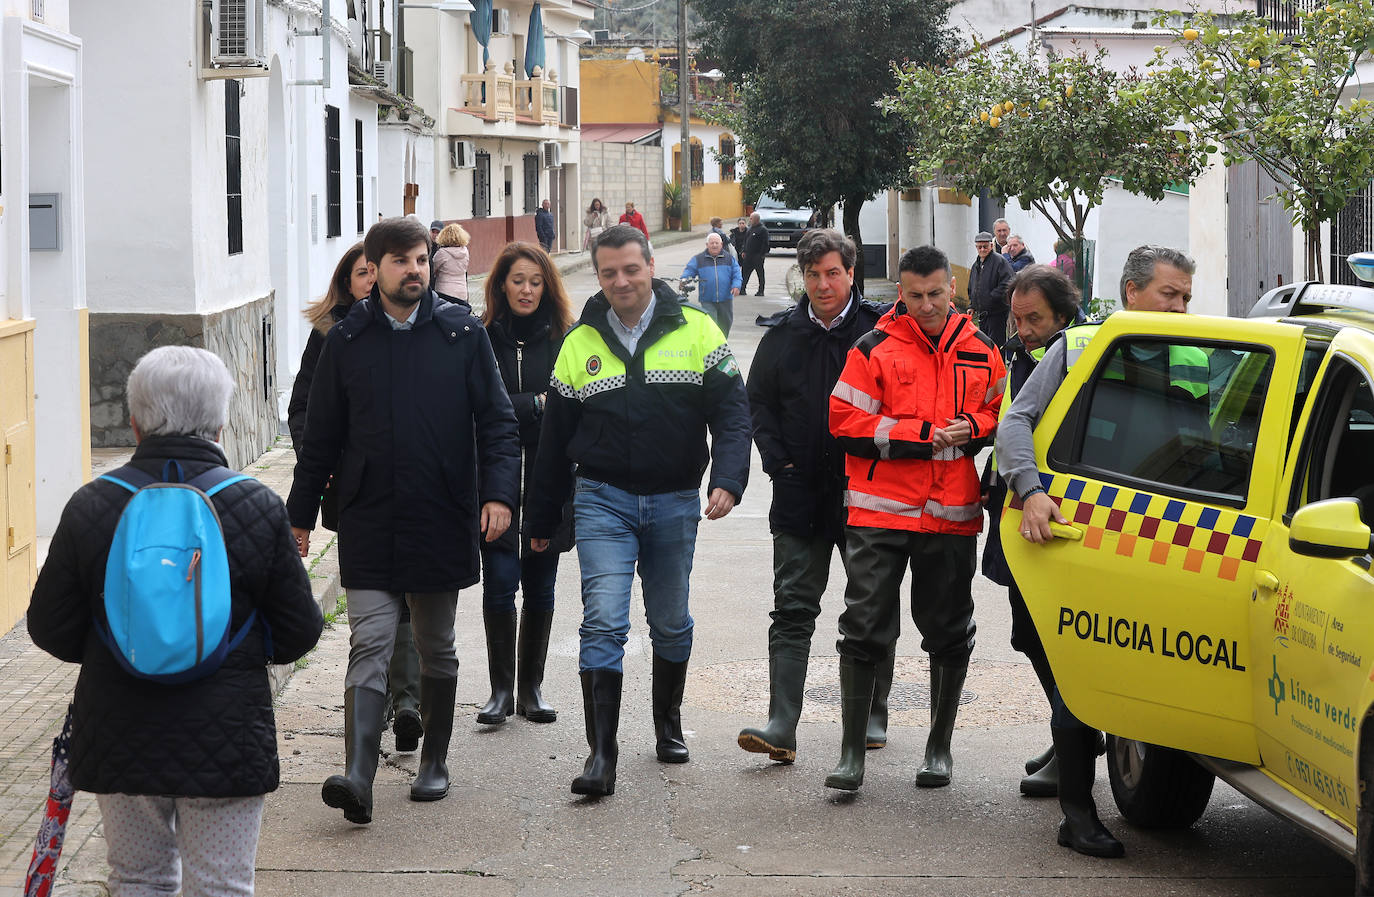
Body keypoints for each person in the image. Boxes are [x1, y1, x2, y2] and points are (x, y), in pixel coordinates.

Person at [28, 345, 324, 897]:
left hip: (118, 728)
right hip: (228, 733)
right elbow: (300, 631)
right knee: (222, 885)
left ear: (135, 419)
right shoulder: (255, 504)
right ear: (220, 419)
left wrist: (118, 647)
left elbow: (48, 626)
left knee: (138, 878)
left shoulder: (93, 504)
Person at [287, 216, 520, 823]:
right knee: (367, 641)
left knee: (435, 647)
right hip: (368, 515)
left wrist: (499, 495)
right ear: (376, 267)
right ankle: (359, 775)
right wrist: (300, 513)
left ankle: (434, 762)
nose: (414, 270)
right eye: (401, 261)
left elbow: (497, 422)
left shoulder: (462, 333)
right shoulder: (347, 339)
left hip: (441, 512)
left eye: (420, 260)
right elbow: (321, 437)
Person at [526, 224, 751, 797]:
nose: (621, 281)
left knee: (670, 621)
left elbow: (732, 414)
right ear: (597, 277)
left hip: (676, 501)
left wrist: (727, 479)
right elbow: (554, 441)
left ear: (651, 265)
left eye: (631, 268)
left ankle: (667, 722)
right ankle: (602, 754)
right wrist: (542, 520)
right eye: (608, 273)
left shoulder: (698, 330)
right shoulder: (579, 343)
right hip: (602, 499)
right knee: (603, 619)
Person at [996, 244, 1197, 859]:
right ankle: (1077, 815)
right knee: (1076, 680)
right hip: (1081, 536)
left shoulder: (1203, 352)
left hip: (1165, 541)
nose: (1181, 308)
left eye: (1187, 297)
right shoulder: (1081, 347)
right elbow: (1014, 424)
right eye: (1170, 295)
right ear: (1132, 292)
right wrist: (1030, 492)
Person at [825, 245, 1005, 793]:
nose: (925, 305)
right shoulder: (874, 346)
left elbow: (1003, 413)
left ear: (953, 291)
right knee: (862, 627)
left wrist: (973, 425)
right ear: (899, 291)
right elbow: (843, 420)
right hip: (880, 513)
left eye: (934, 294)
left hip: (950, 515)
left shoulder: (982, 349)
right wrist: (922, 436)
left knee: (949, 630)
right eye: (914, 295)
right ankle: (852, 753)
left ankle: (938, 747)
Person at [736, 228, 891, 765]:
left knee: (870, 608)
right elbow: (758, 404)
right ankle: (782, 722)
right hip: (800, 494)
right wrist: (779, 463)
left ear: (851, 273)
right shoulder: (782, 335)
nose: (823, 285)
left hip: (868, 494)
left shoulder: (881, 332)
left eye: (833, 273)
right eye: (812, 274)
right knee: (793, 608)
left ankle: (873, 709)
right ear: (801, 277)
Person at [287, 243, 426, 755]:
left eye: (376, 270)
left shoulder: (422, 331)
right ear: (348, 282)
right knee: (373, 605)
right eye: (361, 273)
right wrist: (319, 464)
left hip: (411, 493)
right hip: (353, 492)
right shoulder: (331, 336)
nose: (370, 280)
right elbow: (304, 411)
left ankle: (408, 702)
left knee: (410, 599)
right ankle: (377, 709)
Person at [978, 264, 1084, 800]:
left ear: (1062, 314)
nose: (1023, 328)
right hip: (1014, 510)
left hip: (1055, 519)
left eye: (1034, 318)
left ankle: (1076, 738)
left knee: (1050, 635)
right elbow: (1004, 423)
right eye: (1017, 318)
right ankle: (1068, 733)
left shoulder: (1077, 355)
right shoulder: (1022, 356)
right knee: (1027, 635)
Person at [476, 242, 577, 727]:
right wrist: (532, 404)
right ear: (501, 284)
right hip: (493, 481)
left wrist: (529, 406)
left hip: (548, 481)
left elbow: (566, 409)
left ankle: (530, 690)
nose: (527, 290)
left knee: (541, 586)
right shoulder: (481, 338)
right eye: (518, 280)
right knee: (498, 586)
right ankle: (499, 691)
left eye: (536, 282)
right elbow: (477, 412)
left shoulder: (565, 339)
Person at [681, 232, 742, 336]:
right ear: (707, 245)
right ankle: (713, 348)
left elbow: (737, 274)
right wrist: (684, 279)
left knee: (725, 324)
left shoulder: (729, 259)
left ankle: (722, 345)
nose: (714, 245)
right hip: (707, 299)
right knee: (711, 324)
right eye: (712, 243)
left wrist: (736, 285)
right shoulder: (698, 259)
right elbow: (689, 270)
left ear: (721, 244)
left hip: (725, 298)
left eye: (716, 243)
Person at [968, 230, 1014, 347]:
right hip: (983, 314)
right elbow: (972, 286)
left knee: (996, 345)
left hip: (997, 312)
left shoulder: (999, 261)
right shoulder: (976, 264)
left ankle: (998, 365)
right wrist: (972, 305)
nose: (982, 249)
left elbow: (1007, 283)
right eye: (979, 247)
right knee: (984, 344)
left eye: (985, 246)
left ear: (991, 246)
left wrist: (990, 298)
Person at [431, 222, 472, 305]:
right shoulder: (465, 251)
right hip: (461, 291)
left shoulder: (442, 253)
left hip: (444, 291)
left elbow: (433, 268)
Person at [740, 212, 771, 296]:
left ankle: (761, 291)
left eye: (751, 218)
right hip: (748, 256)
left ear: (756, 219)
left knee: (760, 274)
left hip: (757, 256)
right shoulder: (750, 229)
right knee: (744, 273)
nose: (750, 220)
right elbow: (745, 241)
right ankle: (742, 289)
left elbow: (766, 243)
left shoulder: (762, 230)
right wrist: (743, 251)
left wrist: (761, 254)